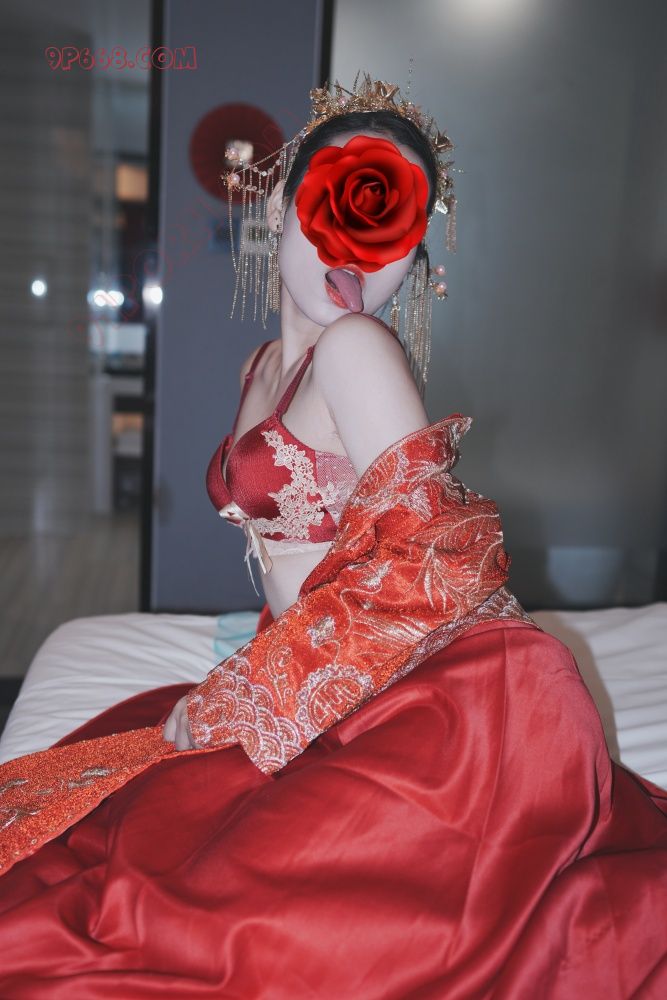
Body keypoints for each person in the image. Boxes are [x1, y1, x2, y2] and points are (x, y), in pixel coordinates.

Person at [0, 72, 665, 999]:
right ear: (280, 205)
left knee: (227, 928)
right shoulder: (265, 363)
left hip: (429, 692)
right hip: (327, 676)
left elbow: (431, 567)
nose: (357, 252)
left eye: (391, 229)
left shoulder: (358, 350)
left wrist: (252, 690)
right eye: (337, 206)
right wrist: (257, 681)